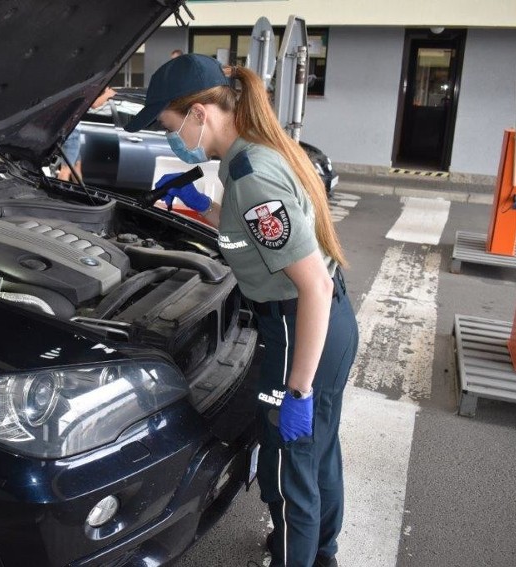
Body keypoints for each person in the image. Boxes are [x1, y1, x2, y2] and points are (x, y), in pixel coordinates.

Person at [125, 54, 358, 567]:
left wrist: (296, 389)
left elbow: (312, 285)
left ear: (198, 115)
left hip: (303, 322)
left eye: (168, 126)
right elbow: (249, 232)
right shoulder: (245, 158)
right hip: (321, 321)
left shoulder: (251, 173)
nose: (170, 138)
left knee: (288, 462)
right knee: (318, 452)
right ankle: (322, 554)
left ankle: (293, 558)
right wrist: (194, 204)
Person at [57, 86, 116, 182]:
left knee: (76, 167)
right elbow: (94, 104)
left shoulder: (71, 89)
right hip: (72, 131)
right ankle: (58, 193)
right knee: (66, 169)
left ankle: (78, 192)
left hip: (68, 130)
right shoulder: (82, 90)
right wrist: (108, 94)